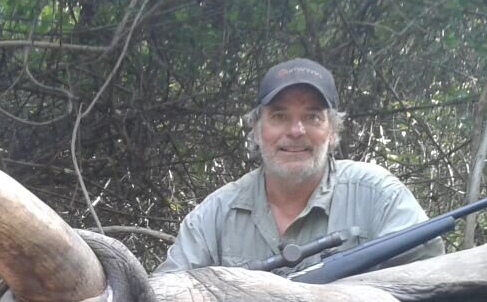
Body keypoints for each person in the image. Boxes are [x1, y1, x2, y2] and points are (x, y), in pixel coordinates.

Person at [155, 58, 443, 275]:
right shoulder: (213, 216)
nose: (296, 131)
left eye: (313, 117)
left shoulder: (380, 196)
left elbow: (429, 284)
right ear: (256, 130)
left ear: (332, 132)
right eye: (279, 116)